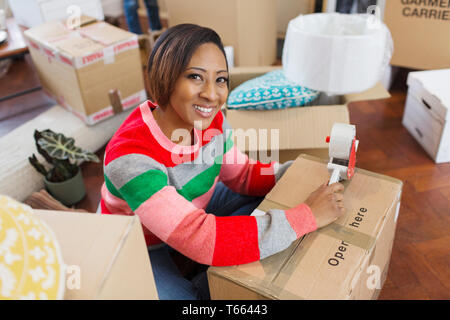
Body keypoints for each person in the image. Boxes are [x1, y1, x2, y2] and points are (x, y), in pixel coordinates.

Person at [100, 24, 346, 300]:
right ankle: (206, 276)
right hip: (141, 242)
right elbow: (200, 237)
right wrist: (308, 216)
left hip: (194, 209)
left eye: (220, 80)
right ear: (164, 77)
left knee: (269, 201)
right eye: (195, 77)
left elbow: (241, 175)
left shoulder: (211, 119)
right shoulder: (130, 156)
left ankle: (206, 267)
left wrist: (298, 173)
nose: (212, 94)